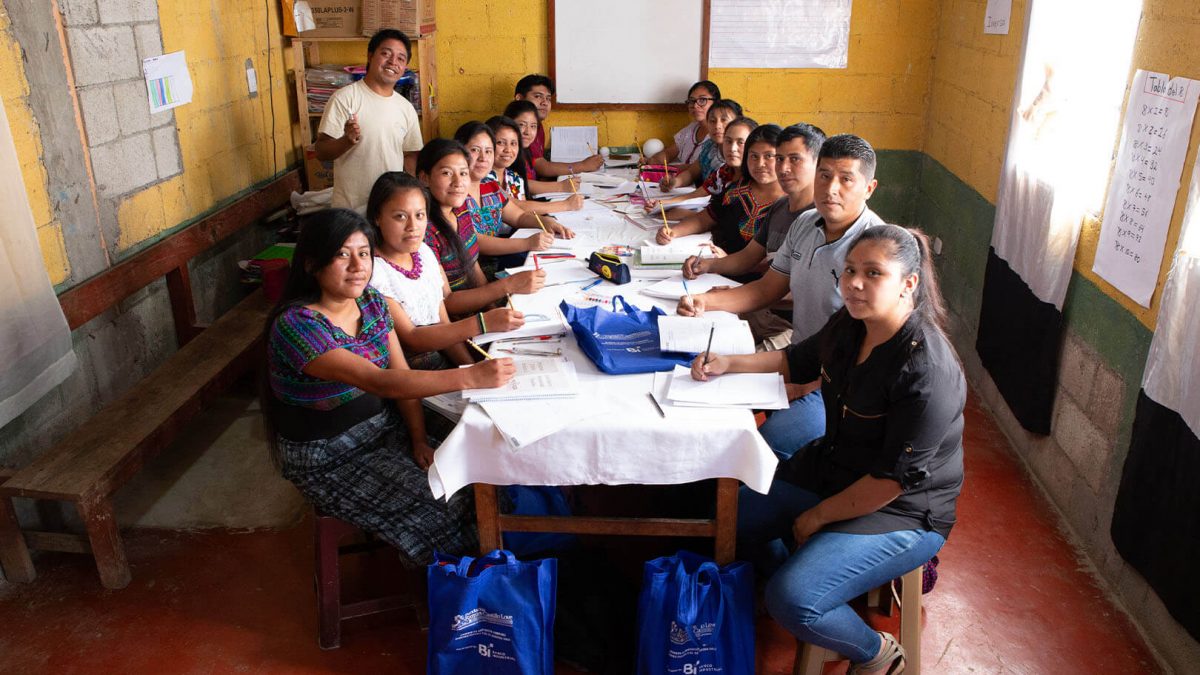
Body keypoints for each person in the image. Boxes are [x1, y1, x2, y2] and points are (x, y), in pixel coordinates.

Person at [697, 224, 964, 675]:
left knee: (793, 598)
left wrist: (817, 517)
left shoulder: (926, 371)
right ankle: (800, 567)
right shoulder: (852, 325)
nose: (855, 284)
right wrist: (727, 364)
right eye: (850, 271)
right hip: (835, 468)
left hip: (903, 511)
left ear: (909, 283)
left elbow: (890, 482)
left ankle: (876, 653)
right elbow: (795, 359)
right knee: (726, 518)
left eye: (874, 273)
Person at [263, 207, 516, 567]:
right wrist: (469, 376)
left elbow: (401, 377)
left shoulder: (371, 303)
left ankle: (482, 562)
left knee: (484, 459)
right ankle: (464, 581)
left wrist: (417, 439)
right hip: (328, 456)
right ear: (310, 264)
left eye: (364, 253)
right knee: (446, 500)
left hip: (383, 428)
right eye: (341, 255)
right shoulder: (298, 326)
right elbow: (379, 380)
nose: (357, 266)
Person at [678, 134, 885, 460]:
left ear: (869, 189)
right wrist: (705, 301)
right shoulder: (804, 223)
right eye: (825, 176)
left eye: (846, 180)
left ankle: (746, 500)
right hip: (797, 360)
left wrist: (814, 386)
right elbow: (765, 289)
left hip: (842, 386)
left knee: (760, 449)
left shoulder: (876, 249)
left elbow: (877, 354)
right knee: (704, 390)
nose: (831, 189)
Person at [366, 171, 524, 370]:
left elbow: (444, 324)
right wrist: (481, 324)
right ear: (377, 217)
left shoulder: (423, 252)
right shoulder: (375, 272)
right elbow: (411, 339)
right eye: (400, 216)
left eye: (420, 215)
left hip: (444, 358)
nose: (413, 226)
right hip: (414, 373)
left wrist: (470, 366)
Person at [416, 139, 546, 316]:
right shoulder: (424, 233)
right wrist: (506, 286)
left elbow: (472, 264)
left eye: (463, 173)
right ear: (424, 178)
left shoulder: (459, 209)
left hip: (479, 310)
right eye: (447, 173)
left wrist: (494, 307)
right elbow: (447, 303)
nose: (458, 182)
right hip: (458, 323)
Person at [683, 123, 825, 282]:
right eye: (780, 158)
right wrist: (707, 264)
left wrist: (726, 290)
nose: (784, 168)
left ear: (819, 163)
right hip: (740, 284)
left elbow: (775, 289)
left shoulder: (823, 218)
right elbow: (748, 258)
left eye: (795, 159)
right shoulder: (779, 207)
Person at [315, 29, 423, 212]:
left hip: (390, 210)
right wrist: (346, 141)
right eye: (385, 53)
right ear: (370, 56)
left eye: (400, 59)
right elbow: (321, 151)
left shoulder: (406, 108)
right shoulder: (345, 98)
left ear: (405, 67)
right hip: (350, 210)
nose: (392, 62)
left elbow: (410, 156)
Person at [655, 122, 785, 270]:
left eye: (769, 156)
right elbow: (705, 219)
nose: (760, 163)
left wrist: (724, 262)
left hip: (747, 282)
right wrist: (672, 232)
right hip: (711, 265)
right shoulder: (738, 188)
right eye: (754, 156)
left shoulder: (790, 205)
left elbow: (780, 270)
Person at [484, 115, 584, 215]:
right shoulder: (483, 179)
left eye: (513, 143)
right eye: (500, 143)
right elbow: (518, 207)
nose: (508, 150)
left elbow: (523, 215)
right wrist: (566, 205)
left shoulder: (514, 178)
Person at [514, 74, 603, 178]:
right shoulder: (514, 129)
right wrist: (583, 166)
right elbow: (542, 168)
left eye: (548, 98)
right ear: (519, 98)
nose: (545, 103)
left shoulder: (537, 125)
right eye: (537, 96)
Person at [661, 99, 742, 190]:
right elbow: (691, 173)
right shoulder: (710, 146)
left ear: (738, 124)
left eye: (724, 120)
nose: (717, 126)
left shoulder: (742, 154)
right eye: (712, 121)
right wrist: (675, 182)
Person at [645, 80, 721, 167]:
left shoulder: (719, 135)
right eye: (692, 101)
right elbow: (669, 153)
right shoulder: (691, 130)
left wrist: (668, 169)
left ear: (716, 103)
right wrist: (651, 161)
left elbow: (698, 169)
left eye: (702, 100)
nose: (695, 106)